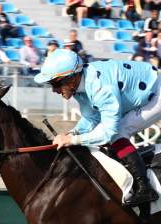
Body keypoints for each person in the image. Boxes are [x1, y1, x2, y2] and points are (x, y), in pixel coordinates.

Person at [34, 49, 160, 206]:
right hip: (140, 95)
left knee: (118, 132)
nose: (54, 90)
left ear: (71, 79)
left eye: (55, 84)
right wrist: (72, 133)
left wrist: (72, 140)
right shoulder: (80, 86)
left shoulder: (100, 87)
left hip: (156, 93)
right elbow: (91, 118)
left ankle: (145, 188)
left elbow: (109, 132)